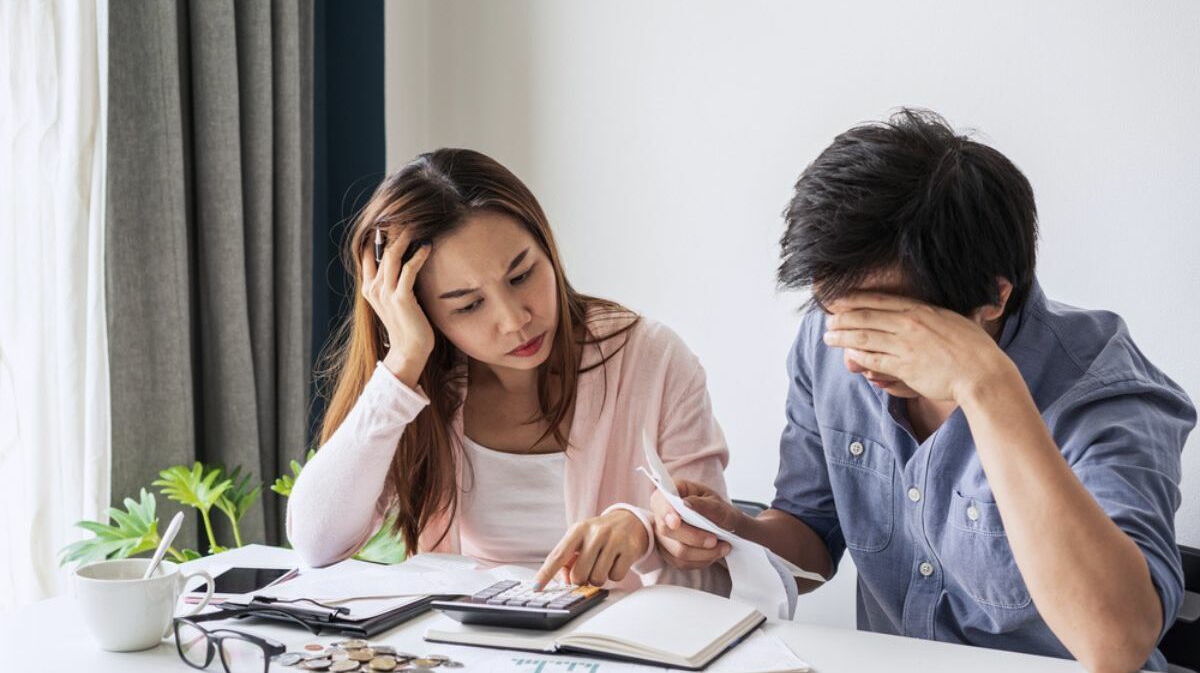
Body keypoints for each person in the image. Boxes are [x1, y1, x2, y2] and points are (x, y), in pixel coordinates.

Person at [651, 109, 1195, 672]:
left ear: (994, 296)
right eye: (838, 315)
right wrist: (734, 533)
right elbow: (812, 536)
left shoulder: (1105, 393)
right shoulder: (829, 341)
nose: (855, 359)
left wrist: (986, 386)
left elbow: (1116, 646)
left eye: (887, 327)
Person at [287, 148, 730, 592]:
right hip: (470, 633)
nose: (514, 320)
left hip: (623, 634)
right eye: (468, 305)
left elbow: (713, 560)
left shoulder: (652, 359)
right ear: (420, 311)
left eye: (521, 276)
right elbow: (316, 543)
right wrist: (402, 363)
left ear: (546, 247)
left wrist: (642, 529)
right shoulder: (424, 384)